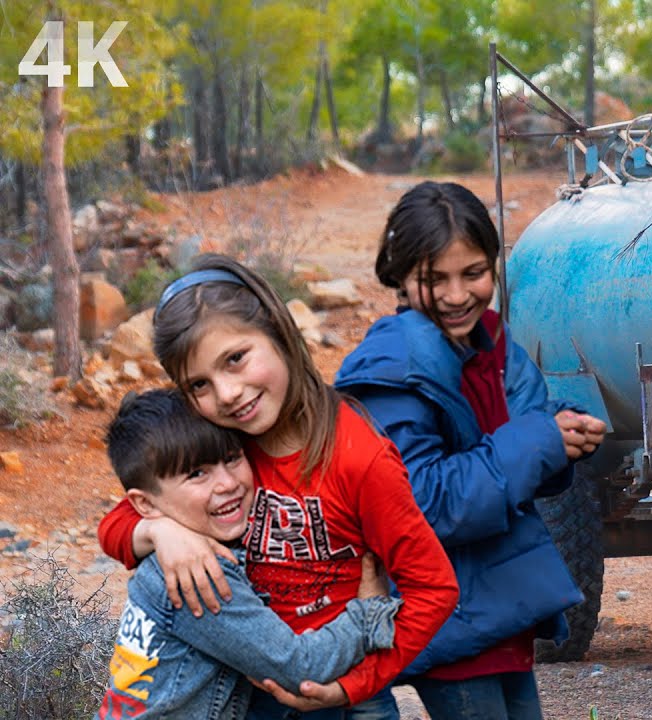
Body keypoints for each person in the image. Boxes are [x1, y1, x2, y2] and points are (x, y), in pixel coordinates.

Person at [97, 254, 460, 718]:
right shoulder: (225, 442)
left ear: (278, 331)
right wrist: (160, 532)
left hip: (347, 691)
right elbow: (122, 518)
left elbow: (433, 588)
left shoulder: (359, 457)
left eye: (236, 359)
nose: (227, 393)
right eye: (199, 384)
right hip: (255, 693)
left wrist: (353, 686)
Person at [332, 180, 607, 720]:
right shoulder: (393, 367)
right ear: (400, 275)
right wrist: (541, 440)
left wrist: (564, 435)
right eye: (435, 279)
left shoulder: (490, 343)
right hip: (447, 615)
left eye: (474, 273)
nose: (457, 295)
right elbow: (423, 503)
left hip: (497, 605)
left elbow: (518, 430)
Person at [97, 389, 402, 720]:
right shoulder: (197, 575)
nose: (227, 483)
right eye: (197, 474)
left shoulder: (181, 541)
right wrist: (369, 611)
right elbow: (300, 668)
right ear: (145, 504)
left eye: (232, 458)